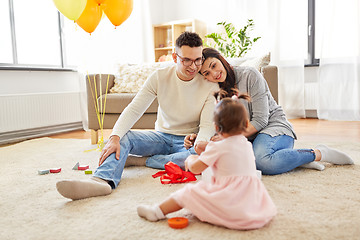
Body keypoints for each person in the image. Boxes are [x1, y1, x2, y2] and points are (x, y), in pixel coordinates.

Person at [56, 32, 219, 200]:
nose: (193, 66)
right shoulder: (159, 77)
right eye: (187, 60)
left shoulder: (209, 85)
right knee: (121, 138)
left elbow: (206, 126)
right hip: (160, 137)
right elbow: (134, 109)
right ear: (175, 57)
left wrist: (200, 146)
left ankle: (140, 161)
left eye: (198, 60)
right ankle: (102, 180)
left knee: (198, 156)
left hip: (187, 142)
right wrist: (114, 137)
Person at [185, 47, 354, 175]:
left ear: (221, 59)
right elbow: (220, 123)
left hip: (273, 128)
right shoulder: (215, 91)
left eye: (214, 65)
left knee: (262, 162)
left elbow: (260, 120)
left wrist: (226, 140)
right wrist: (199, 136)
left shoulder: (249, 74)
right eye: (207, 73)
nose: (214, 73)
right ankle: (293, 160)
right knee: (213, 152)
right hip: (248, 138)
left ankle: (318, 153)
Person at [137, 94, 277, 230]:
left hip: (231, 202)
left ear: (216, 127)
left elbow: (196, 169)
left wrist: (190, 159)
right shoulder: (246, 144)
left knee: (189, 192)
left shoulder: (218, 146)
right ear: (246, 124)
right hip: (253, 205)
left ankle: (156, 212)